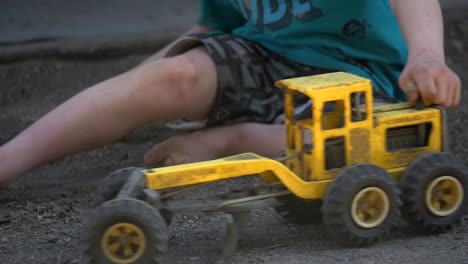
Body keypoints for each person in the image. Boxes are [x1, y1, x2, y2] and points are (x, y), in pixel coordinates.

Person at [0, 0, 460, 188]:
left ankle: (232, 140)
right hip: (261, 54)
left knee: (352, 149)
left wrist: (425, 57)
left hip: (358, 77)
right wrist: (139, 85)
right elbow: (213, 26)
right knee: (170, 76)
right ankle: (11, 158)